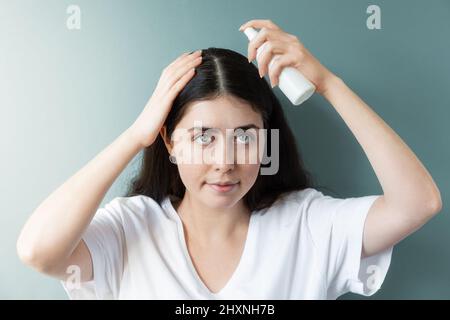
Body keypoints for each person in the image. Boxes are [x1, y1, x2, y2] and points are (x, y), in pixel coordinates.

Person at [17, 19, 442, 300]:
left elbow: (418, 203)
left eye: (245, 136)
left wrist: (328, 84)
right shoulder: (130, 228)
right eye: (203, 137)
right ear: (169, 141)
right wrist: (136, 135)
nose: (225, 161)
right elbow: (38, 250)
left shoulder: (308, 225)